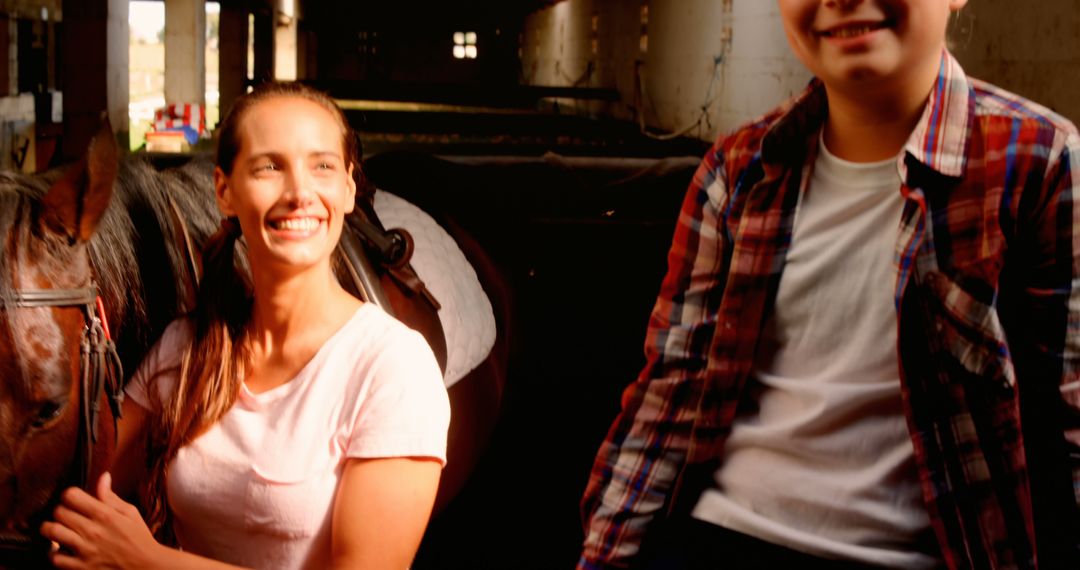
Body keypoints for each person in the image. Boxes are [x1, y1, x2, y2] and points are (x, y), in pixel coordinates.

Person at [580, 0, 1080, 568]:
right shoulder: (735, 171)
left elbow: (1070, 431)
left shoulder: (1039, 164)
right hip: (717, 537)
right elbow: (668, 402)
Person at [40, 82, 451, 569]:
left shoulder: (393, 368)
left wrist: (147, 561)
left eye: (321, 165)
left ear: (347, 189)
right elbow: (84, 490)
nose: (300, 193)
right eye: (270, 166)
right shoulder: (186, 346)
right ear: (225, 192)